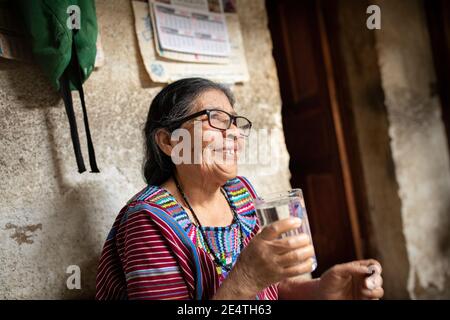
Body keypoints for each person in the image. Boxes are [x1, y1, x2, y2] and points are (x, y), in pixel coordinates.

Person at [95, 78, 384, 300]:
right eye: (216, 120)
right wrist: (245, 276)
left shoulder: (239, 192)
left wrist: (322, 290)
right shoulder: (149, 221)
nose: (233, 132)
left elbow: (269, 290)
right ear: (169, 142)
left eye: (234, 122)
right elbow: (251, 281)